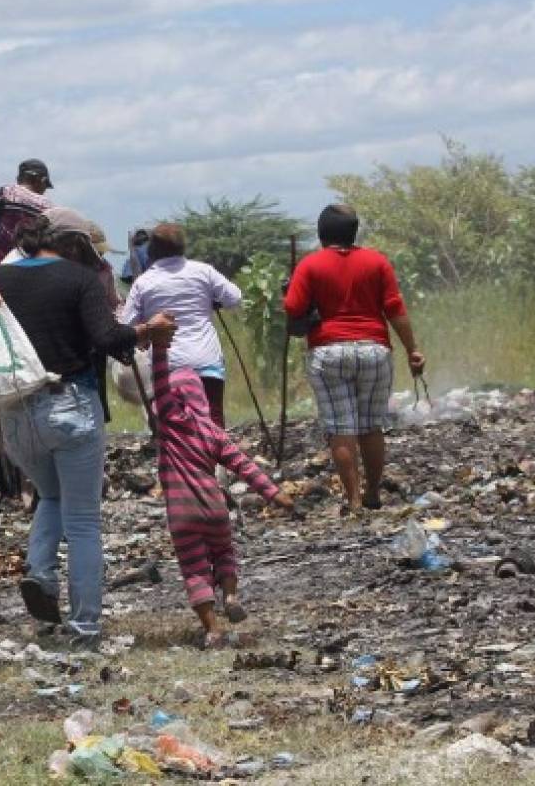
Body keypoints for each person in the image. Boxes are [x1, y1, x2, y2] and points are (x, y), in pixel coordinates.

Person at [0, 208, 176, 647]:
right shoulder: (77, 280)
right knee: (83, 521)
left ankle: (40, 572)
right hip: (70, 405)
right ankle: (85, 625)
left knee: (50, 496)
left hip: (14, 413)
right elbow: (108, 338)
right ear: (75, 246)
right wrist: (147, 330)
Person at [283, 204, 425, 513]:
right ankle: (373, 492)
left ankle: (354, 501)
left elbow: (293, 308)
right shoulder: (377, 262)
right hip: (374, 350)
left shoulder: (309, 266)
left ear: (321, 234)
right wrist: (412, 349)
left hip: (329, 351)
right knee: (370, 427)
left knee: (340, 427)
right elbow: (395, 309)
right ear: (353, 231)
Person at [151, 340, 293, 648]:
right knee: (224, 553)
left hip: (182, 513)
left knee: (194, 570)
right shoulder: (215, 433)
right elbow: (245, 467)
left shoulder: (171, 425)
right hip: (215, 509)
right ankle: (230, 595)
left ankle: (213, 629)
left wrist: (159, 347)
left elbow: (159, 381)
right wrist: (274, 494)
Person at [121, 223, 241, 428]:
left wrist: (146, 328)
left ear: (152, 250)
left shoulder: (143, 283)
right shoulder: (203, 271)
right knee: (213, 423)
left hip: (167, 366)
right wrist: (212, 301)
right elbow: (235, 298)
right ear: (182, 247)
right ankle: (213, 459)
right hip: (206, 362)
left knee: (174, 429)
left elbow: (127, 325)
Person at [0, 159, 53, 263]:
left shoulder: (6, 192)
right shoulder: (49, 208)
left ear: (19, 178)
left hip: (2, 267)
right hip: (34, 271)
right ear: (41, 180)